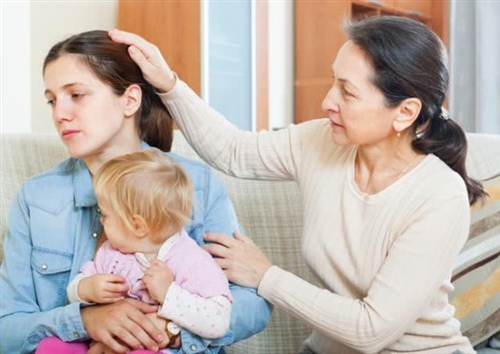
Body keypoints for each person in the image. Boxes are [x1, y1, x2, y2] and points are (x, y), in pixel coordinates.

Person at [110, 15, 487, 354]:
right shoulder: (322, 141)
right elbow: (233, 151)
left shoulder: (439, 195)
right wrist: (168, 84)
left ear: (405, 112)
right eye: (333, 83)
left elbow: (372, 330)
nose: (327, 101)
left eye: (347, 91)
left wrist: (265, 276)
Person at [0, 30, 271, 354]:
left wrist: (172, 329)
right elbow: (7, 328)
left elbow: (251, 304)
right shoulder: (36, 199)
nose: (60, 114)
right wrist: (84, 320)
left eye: (76, 95)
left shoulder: (196, 183)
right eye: (52, 99)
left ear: (130, 100)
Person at [36, 148, 233, 354]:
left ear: (138, 226)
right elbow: (74, 289)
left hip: (152, 348)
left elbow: (219, 320)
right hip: (103, 339)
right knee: (50, 346)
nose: (101, 221)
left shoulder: (192, 261)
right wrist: (86, 288)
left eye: (106, 215)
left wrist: (169, 294)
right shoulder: (111, 252)